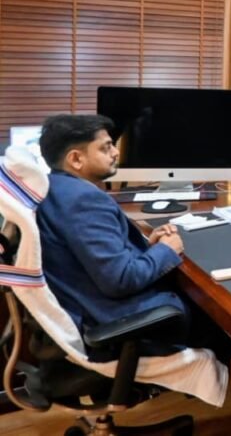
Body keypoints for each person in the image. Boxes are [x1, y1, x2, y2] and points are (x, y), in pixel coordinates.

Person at [35, 114, 191, 346]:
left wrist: (146, 248)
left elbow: (90, 255)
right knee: (219, 323)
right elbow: (120, 280)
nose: (116, 152)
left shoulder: (54, 188)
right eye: (106, 147)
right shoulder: (84, 200)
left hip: (83, 304)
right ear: (76, 159)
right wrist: (166, 250)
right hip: (114, 321)